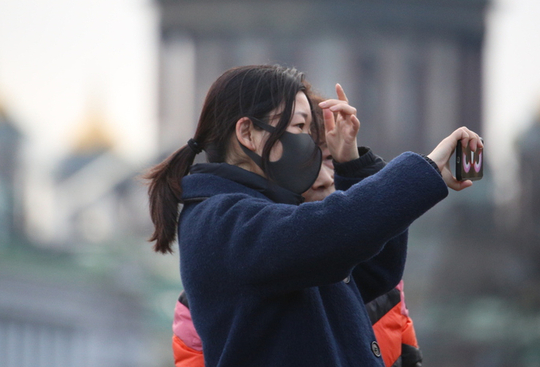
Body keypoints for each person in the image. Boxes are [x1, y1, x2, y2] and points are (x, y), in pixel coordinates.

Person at [147, 64, 481, 366]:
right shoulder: (218, 220)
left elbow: (374, 274)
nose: (308, 144)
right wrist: (426, 169)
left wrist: (352, 164)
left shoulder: (270, 214)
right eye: (299, 127)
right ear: (247, 133)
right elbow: (333, 231)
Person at [170, 97, 423, 367]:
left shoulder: (384, 292)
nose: (326, 178)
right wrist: (426, 171)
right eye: (305, 162)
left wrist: (354, 167)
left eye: (329, 160)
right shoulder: (208, 298)